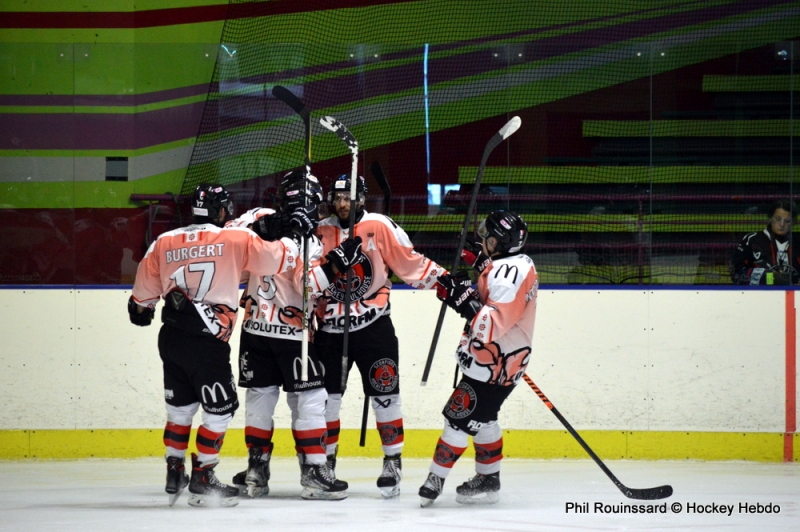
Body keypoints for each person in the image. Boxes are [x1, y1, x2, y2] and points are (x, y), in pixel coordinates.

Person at [128, 183, 315, 508]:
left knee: (180, 409)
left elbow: (140, 305)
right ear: (221, 210)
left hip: (170, 336)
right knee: (219, 408)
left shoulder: (164, 241)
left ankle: (175, 472)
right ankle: (203, 476)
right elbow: (278, 261)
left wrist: (144, 309)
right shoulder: (234, 238)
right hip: (207, 339)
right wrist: (292, 234)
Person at [226, 170, 363, 500]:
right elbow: (307, 290)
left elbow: (226, 238)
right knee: (311, 400)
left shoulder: (277, 225)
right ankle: (312, 471)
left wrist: (334, 264)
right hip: (292, 336)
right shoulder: (299, 235)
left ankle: (258, 471)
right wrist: (333, 267)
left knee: (262, 400)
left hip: (258, 329)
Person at [314, 173, 447, 498]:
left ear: (361, 198)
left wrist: (446, 282)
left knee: (385, 393)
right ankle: (326, 464)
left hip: (374, 327)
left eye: (349, 198)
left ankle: (392, 461)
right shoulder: (320, 230)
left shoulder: (379, 226)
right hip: (331, 330)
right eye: (338, 197)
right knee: (327, 402)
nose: (343, 204)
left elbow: (410, 264)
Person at [418, 210, 537, 507]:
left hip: (493, 365)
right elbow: (493, 278)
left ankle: (435, 480)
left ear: (500, 242)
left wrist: (463, 301)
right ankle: (489, 478)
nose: (483, 237)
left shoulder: (509, 274)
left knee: (457, 420)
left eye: (488, 236)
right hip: (502, 363)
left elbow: (491, 325)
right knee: (484, 421)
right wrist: (477, 263)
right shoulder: (514, 263)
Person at [731, 198, 800, 285]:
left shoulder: (798, 242)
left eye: (787, 221)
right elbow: (736, 273)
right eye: (778, 219)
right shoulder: (752, 240)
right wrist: (770, 278)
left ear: (794, 222)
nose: (782, 224)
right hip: (760, 295)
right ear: (770, 218)